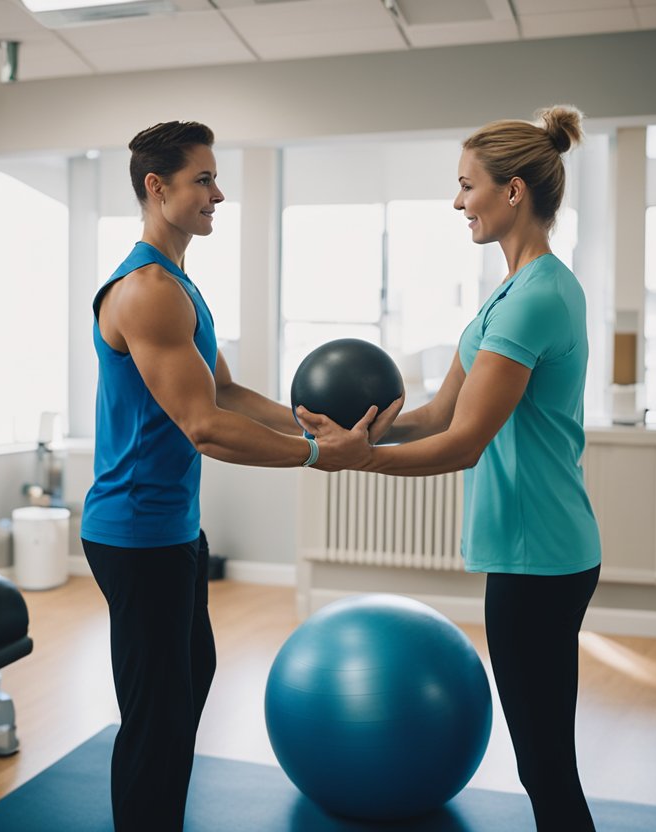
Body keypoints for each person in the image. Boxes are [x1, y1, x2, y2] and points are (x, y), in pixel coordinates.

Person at [80, 120, 401, 832]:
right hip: (135, 533)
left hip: (170, 529)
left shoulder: (180, 286)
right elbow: (204, 426)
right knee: (157, 716)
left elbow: (223, 392)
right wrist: (323, 457)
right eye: (204, 179)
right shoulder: (147, 291)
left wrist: (311, 423)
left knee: (188, 684)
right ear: (156, 187)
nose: (218, 193)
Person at [298, 105, 600, 832]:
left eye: (467, 186)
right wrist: (358, 431)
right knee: (541, 755)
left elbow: (464, 445)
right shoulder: (507, 294)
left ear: (514, 192)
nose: (457, 202)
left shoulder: (537, 299)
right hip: (530, 549)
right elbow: (436, 417)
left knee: (545, 759)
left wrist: (359, 460)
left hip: (543, 556)